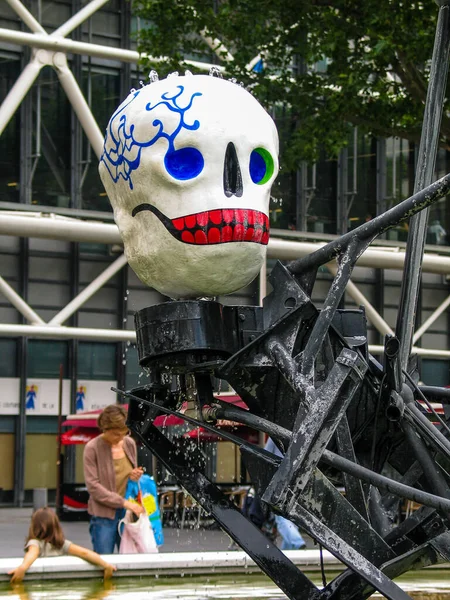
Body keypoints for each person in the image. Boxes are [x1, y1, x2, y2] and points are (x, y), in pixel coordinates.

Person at [84, 404, 145, 554]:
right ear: (105, 428)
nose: (121, 438)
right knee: (105, 560)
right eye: (116, 434)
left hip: (128, 513)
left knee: (132, 558)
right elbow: (93, 487)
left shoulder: (129, 443)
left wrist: (134, 475)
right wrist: (123, 503)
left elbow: (131, 478)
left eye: (124, 433)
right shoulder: (92, 448)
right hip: (104, 515)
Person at [8, 507, 116, 583]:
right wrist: (105, 565)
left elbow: (32, 553)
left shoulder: (35, 543)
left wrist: (23, 568)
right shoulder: (61, 544)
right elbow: (85, 553)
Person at [264, 438, 307, 550]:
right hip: (298, 481)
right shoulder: (299, 435)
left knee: (281, 517)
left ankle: (297, 542)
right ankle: (287, 552)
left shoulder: (274, 437)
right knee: (291, 516)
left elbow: (264, 455)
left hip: (279, 481)